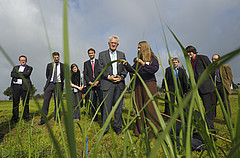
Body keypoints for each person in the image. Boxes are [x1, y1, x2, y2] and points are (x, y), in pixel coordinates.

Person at [122, 41, 160, 138]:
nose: (138, 49)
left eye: (139, 48)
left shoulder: (153, 58)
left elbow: (153, 69)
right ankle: (139, 130)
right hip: (139, 85)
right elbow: (133, 69)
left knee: (150, 107)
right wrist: (126, 64)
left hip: (149, 84)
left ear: (144, 48)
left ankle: (152, 132)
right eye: (137, 48)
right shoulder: (139, 60)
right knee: (139, 106)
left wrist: (144, 64)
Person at [98, 35, 127, 135]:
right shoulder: (102, 55)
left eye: (115, 43)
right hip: (107, 83)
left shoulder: (122, 55)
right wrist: (108, 76)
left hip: (119, 84)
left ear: (117, 44)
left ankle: (118, 128)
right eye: (112, 43)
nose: (113, 44)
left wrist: (122, 77)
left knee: (118, 108)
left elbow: (125, 69)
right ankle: (105, 128)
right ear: (108, 44)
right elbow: (100, 69)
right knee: (107, 107)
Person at [186, 45, 215, 132]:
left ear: (193, 51)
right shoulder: (190, 62)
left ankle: (211, 129)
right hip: (194, 87)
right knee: (188, 103)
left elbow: (211, 70)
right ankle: (192, 122)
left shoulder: (203, 58)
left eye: (189, 52)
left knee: (207, 107)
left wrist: (208, 81)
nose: (188, 54)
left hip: (205, 86)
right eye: (187, 52)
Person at [38, 52, 64, 125]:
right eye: (55, 57)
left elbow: (63, 76)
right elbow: (47, 75)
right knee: (46, 101)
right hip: (50, 84)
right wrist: (50, 81)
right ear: (53, 58)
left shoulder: (63, 66)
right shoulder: (49, 65)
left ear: (59, 57)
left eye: (57, 57)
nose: (56, 58)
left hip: (58, 84)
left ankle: (57, 118)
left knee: (57, 101)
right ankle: (43, 119)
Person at [10, 55, 33, 124]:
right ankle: (15, 118)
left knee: (25, 103)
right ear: (19, 61)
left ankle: (25, 117)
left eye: (24, 60)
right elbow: (12, 74)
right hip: (16, 87)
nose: (23, 61)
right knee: (15, 103)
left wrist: (17, 74)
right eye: (21, 60)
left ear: (26, 61)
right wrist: (21, 75)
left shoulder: (29, 68)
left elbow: (27, 74)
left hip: (25, 87)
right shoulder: (15, 67)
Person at [84, 48, 103, 121]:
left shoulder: (99, 62)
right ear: (88, 54)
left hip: (99, 84)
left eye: (92, 53)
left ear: (94, 53)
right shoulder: (86, 63)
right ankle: (94, 117)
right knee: (92, 101)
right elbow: (85, 74)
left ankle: (102, 116)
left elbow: (101, 72)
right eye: (89, 53)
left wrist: (97, 81)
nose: (91, 54)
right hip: (90, 84)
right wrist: (90, 82)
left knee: (101, 100)